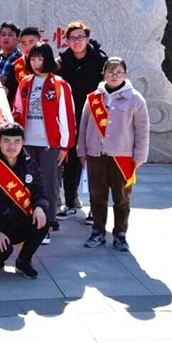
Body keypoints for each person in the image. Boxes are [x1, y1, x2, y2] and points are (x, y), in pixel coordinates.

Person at [77, 57, 149, 251]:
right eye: (110, 72)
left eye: (119, 73)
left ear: (125, 75)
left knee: (121, 197)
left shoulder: (135, 99)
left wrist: (139, 156)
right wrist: (82, 151)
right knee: (97, 196)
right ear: (104, 74)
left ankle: (120, 234)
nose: (114, 76)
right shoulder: (93, 98)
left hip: (122, 156)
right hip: (96, 154)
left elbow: (142, 130)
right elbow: (83, 126)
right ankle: (98, 231)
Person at [13, 43, 75, 244]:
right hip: (27, 142)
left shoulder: (60, 85)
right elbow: (18, 110)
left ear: (48, 60)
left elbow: (67, 117)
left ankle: (46, 225)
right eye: (32, 58)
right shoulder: (25, 82)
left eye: (40, 59)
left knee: (49, 184)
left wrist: (65, 146)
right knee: (27, 182)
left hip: (51, 144)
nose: (36, 63)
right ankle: (28, 222)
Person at [0, 123, 49, 278]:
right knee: (2, 254)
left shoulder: (30, 165)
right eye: (7, 141)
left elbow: (40, 192)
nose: (12, 146)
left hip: (19, 221)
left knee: (43, 221)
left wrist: (40, 207)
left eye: (16, 142)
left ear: (23, 142)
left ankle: (23, 261)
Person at [56, 21, 107, 223]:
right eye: (72, 38)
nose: (77, 42)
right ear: (67, 41)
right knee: (70, 163)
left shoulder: (101, 61)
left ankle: (96, 208)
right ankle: (70, 204)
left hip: (94, 118)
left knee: (95, 163)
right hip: (69, 119)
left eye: (80, 37)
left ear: (87, 39)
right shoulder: (61, 63)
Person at [0, 21, 22, 103]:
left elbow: (23, 86)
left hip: (13, 105)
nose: (6, 37)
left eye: (10, 35)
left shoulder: (22, 60)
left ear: (17, 39)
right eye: (3, 35)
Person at [8, 27, 42, 103]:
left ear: (40, 41)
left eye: (31, 43)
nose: (27, 47)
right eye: (24, 43)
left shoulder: (51, 65)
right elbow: (11, 96)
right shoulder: (15, 67)